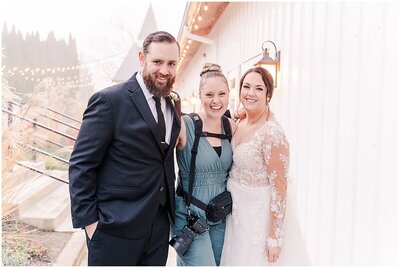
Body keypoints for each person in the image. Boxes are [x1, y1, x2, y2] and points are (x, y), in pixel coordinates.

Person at [68, 31, 181, 266]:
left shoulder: (172, 103)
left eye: (171, 63)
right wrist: (91, 225)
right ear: (141, 58)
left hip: (158, 228)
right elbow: (81, 164)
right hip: (114, 229)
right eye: (157, 62)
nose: (165, 70)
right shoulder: (109, 101)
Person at [220, 67, 310, 265]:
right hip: (236, 214)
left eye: (259, 89)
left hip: (257, 218)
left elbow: (280, 189)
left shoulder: (272, 135)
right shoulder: (241, 119)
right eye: (246, 86)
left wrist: (274, 238)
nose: (251, 93)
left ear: (268, 94)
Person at [172, 63, 236, 266]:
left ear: (228, 95)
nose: (216, 101)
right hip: (190, 217)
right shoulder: (185, 125)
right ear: (200, 96)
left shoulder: (231, 127)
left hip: (219, 214)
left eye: (221, 94)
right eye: (209, 95)